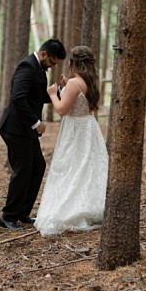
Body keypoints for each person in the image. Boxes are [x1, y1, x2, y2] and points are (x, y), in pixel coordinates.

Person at [34, 46, 108, 237]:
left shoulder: (75, 83)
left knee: (70, 167)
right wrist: (67, 87)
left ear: (73, 63)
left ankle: (70, 208)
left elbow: (62, 109)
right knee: (85, 167)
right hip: (88, 127)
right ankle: (87, 206)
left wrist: (53, 93)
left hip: (75, 129)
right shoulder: (90, 81)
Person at [0, 38, 67, 230]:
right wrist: (36, 123)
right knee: (23, 170)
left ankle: (22, 212)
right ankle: (8, 216)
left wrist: (60, 91)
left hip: (26, 130)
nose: (52, 66)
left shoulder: (38, 67)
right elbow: (18, 98)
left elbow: (37, 96)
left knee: (37, 166)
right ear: (43, 54)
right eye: (52, 62)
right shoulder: (27, 67)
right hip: (16, 128)